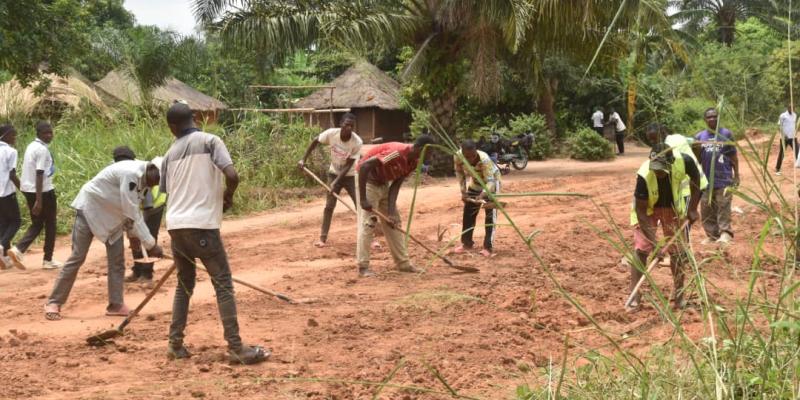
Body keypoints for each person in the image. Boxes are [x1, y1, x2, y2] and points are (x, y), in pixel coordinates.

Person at [160, 102, 268, 365]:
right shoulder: (210, 141)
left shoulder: (168, 155)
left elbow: (165, 191)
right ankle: (235, 347)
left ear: (171, 127)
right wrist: (227, 197)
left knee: (184, 286)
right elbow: (232, 174)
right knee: (222, 283)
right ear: (195, 118)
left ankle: (175, 344)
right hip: (201, 225)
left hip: (175, 225)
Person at [42, 159, 164, 321]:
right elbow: (132, 211)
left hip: (113, 219)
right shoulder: (131, 174)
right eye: (155, 182)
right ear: (152, 170)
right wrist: (151, 244)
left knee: (117, 261)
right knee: (77, 257)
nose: (154, 186)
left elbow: (132, 209)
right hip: (90, 210)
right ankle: (54, 302)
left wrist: (133, 235)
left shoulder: (145, 181)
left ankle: (116, 304)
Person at [629, 143, 702, 309]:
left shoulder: (685, 161)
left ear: (671, 162)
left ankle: (679, 298)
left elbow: (696, 179)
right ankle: (634, 296)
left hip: (672, 208)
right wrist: (655, 244)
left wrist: (692, 208)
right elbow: (641, 212)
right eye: (655, 168)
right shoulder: (644, 174)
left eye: (661, 169)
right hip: (647, 210)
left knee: (677, 251)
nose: (658, 172)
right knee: (641, 249)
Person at [355, 135, 436, 277]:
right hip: (368, 182)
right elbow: (365, 167)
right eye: (429, 153)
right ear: (421, 149)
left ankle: (403, 264)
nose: (431, 157)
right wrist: (363, 199)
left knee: (394, 223)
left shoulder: (414, 162)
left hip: (383, 183)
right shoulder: (396, 153)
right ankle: (363, 267)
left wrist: (391, 212)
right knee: (368, 223)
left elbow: (396, 185)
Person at [298, 113, 363, 247]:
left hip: (350, 176)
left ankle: (370, 237)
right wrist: (303, 159)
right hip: (333, 173)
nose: (349, 128)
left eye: (352, 126)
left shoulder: (357, 142)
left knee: (360, 206)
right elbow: (316, 141)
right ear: (341, 124)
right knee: (329, 206)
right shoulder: (331, 134)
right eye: (346, 125)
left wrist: (336, 182)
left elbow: (348, 165)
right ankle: (322, 238)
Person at [8, 121, 62, 270]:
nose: (49, 135)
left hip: (29, 190)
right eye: (46, 133)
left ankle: (18, 249)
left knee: (38, 223)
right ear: (38, 134)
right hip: (43, 192)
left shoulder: (32, 146)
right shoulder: (42, 150)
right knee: (51, 223)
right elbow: (39, 174)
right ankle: (48, 259)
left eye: (50, 132)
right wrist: (39, 200)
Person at [111, 146, 167, 285]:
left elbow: (146, 202)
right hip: (136, 208)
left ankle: (147, 274)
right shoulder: (117, 170)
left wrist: (141, 231)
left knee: (148, 236)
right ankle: (137, 270)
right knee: (135, 239)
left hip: (153, 206)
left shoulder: (140, 172)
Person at [694, 108, 739, 245]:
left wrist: (736, 175)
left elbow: (734, 157)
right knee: (706, 208)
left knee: (723, 206)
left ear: (718, 118)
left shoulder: (726, 134)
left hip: (724, 178)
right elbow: (697, 160)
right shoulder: (700, 137)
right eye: (709, 117)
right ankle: (712, 235)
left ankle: (725, 233)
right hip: (706, 180)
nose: (712, 119)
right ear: (705, 120)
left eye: (714, 117)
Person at [453, 139, 502, 257]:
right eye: (467, 157)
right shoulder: (458, 156)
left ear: (476, 151)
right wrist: (463, 192)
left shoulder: (484, 159)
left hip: (492, 185)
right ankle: (466, 243)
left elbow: (490, 181)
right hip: (475, 183)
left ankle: (488, 247)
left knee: (490, 215)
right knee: (468, 212)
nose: (470, 159)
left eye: (472, 156)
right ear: (463, 153)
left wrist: (484, 193)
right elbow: (459, 173)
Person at [0, 124, 22, 270]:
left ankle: (5, 259)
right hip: (7, 192)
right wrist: (23, 189)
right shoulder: (10, 151)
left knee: (4, 223)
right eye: (13, 135)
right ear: (6, 136)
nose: (14, 138)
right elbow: (12, 174)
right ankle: (1, 246)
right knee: (16, 221)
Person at [776, 105, 797, 175]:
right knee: (782, 153)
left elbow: (794, 125)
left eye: (794, 108)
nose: (793, 109)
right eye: (791, 108)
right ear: (788, 108)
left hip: (793, 137)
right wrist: (784, 135)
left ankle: (798, 165)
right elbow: (779, 126)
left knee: (798, 151)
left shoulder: (795, 115)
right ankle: (777, 169)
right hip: (784, 138)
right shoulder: (783, 115)